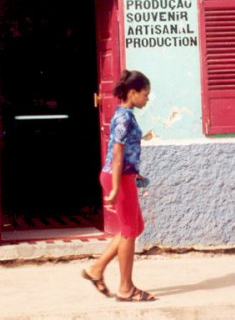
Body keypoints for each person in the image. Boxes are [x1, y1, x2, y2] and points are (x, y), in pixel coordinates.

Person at [81, 70, 156, 302]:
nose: (147, 99)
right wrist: (115, 188)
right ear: (132, 93)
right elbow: (116, 153)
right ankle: (126, 288)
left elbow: (125, 153)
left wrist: (135, 173)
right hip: (118, 179)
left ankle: (96, 269)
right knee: (129, 233)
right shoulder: (124, 118)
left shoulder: (125, 114)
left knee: (134, 228)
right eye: (145, 94)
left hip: (124, 177)